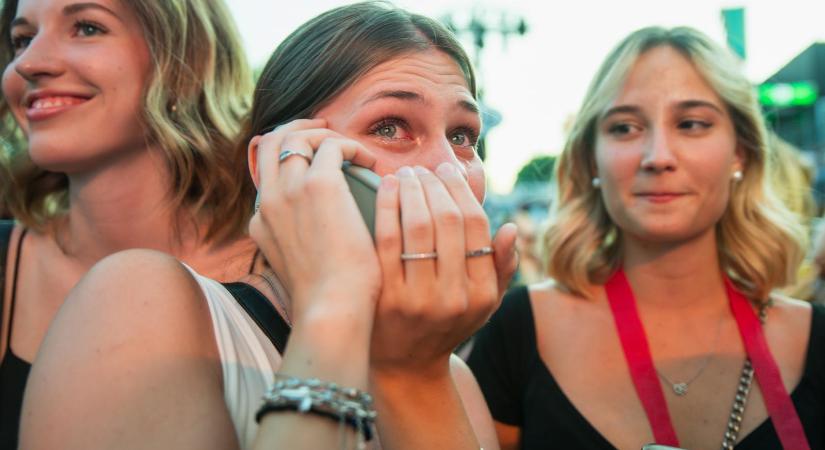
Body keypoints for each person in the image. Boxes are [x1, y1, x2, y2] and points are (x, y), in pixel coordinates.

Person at [19, 2, 518, 449]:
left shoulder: (455, 379)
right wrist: (336, 302)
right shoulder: (139, 302)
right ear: (277, 164)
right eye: (389, 126)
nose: (445, 167)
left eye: (462, 135)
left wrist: (417, 377)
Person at [468, 26, 824, 450]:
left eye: (691, 124)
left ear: (740, 153)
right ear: (591, 158)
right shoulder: (519, 331)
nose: (658, 157)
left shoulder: (815, 340)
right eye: (625, 128)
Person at [0, 0, 257, 447]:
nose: (30, 63)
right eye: (22, 39)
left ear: (186, 61)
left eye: (86, 27)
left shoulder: (290, 269)